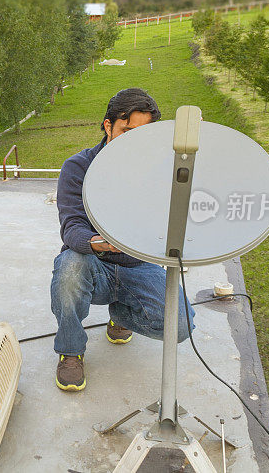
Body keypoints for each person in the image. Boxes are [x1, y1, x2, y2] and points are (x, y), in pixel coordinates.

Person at [51, 88, 196, 391]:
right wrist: (95, 242)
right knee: (69, 268)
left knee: (181, 326)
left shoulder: (158, 171)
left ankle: (122, 315)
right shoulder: (78, 167)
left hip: (139, 266)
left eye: (142, 135)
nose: (134, 142)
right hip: (94, 263)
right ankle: (71, 350)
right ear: (107, 125)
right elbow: (72, 225)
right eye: (126, 131)